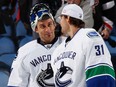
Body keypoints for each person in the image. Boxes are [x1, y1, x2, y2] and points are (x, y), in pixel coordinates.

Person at [51, 4, 116, 87]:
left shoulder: (89, 36)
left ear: (68, 18)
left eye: (61, 18)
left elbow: (101, 75)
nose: (59, 22)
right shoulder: (57, 50)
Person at [7, 3, 64, 87]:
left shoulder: (69, 45)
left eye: (50, 24)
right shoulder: (25, 51)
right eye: (43, 26)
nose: (48, 30)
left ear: (54, 24)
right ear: (36, 29)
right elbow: (15, 83)